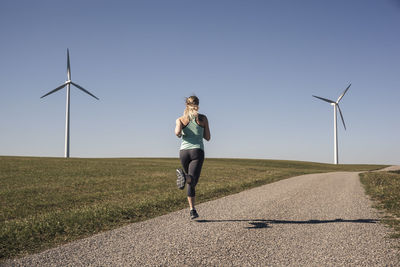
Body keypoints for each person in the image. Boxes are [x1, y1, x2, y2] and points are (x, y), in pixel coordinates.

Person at [175, 95, 211, 219]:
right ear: (197, 105)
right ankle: (184, 177)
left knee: (190, 181)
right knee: (192, 179)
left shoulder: (180, 119)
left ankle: (192, 210)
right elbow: (207, 137)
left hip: (183, 152)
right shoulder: (203, 118)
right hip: (197, 151)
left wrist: (181, 131)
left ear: (186, 105)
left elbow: (177, 133)